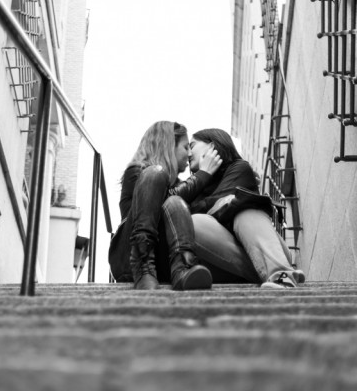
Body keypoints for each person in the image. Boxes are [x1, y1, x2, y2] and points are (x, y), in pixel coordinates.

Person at [108, 121, 223, 290]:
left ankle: (182, 268)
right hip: (128, 260)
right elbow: (162, 197)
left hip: (163, 265)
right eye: (185, 147)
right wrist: (202, 175)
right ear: (168, 146)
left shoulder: (177, 185)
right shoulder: (137, 173)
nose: (190, 153)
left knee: (175, 203)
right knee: (156, 174)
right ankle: (142, 263)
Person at [187, 128, 305, 288]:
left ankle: (281, 276)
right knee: (193, 223)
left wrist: (219, 205)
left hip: (269, 249)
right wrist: (204, 175)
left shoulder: (238, 168)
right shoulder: (193, 188)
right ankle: (280, 278)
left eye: (192, 145)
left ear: (212, 145)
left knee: (245, 213)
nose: (188, 153)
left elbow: (228, 206)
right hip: (225, 263)